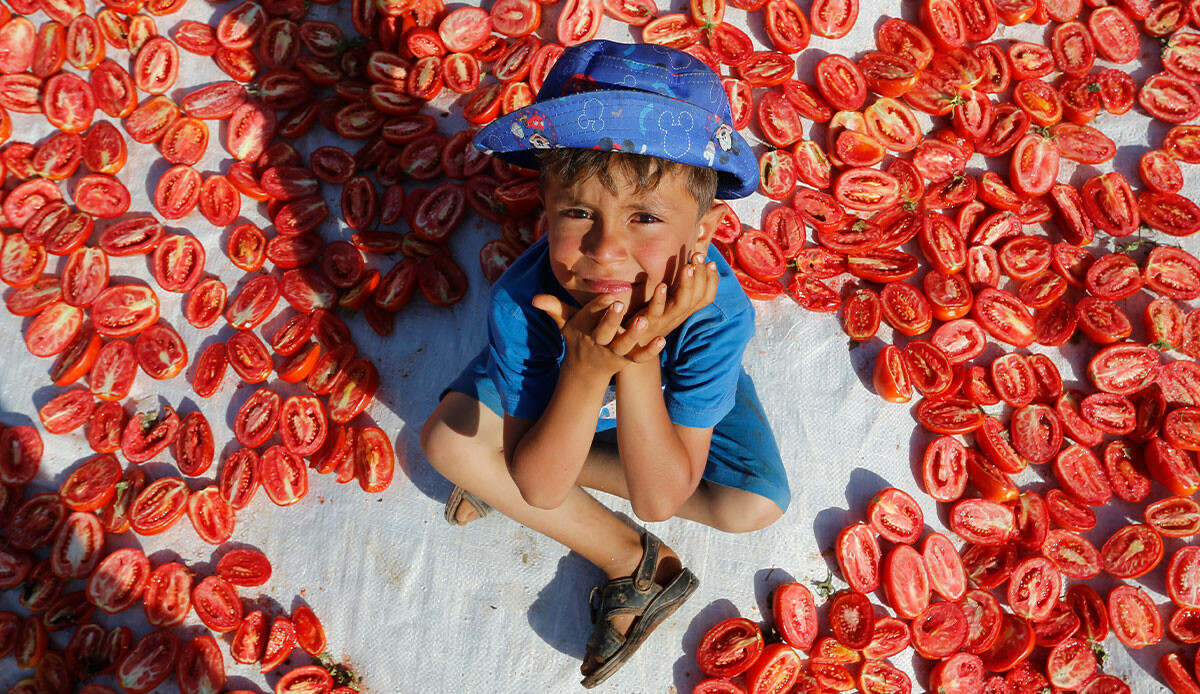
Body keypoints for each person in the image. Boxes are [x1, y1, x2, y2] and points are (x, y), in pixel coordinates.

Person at [420, 39, 790, 689]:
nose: (605, 249)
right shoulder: (524, 306)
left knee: (752, 507)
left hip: (663, 409)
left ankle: (508, 456)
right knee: (448, 441)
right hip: (563, 385)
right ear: (547, 207)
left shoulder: (717, 317)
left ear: (702, 234)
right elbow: (540, 489)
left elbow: (659, 496)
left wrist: (637, 357)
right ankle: (629, 562)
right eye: (579, 212)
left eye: (644, 216)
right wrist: (588, 370)